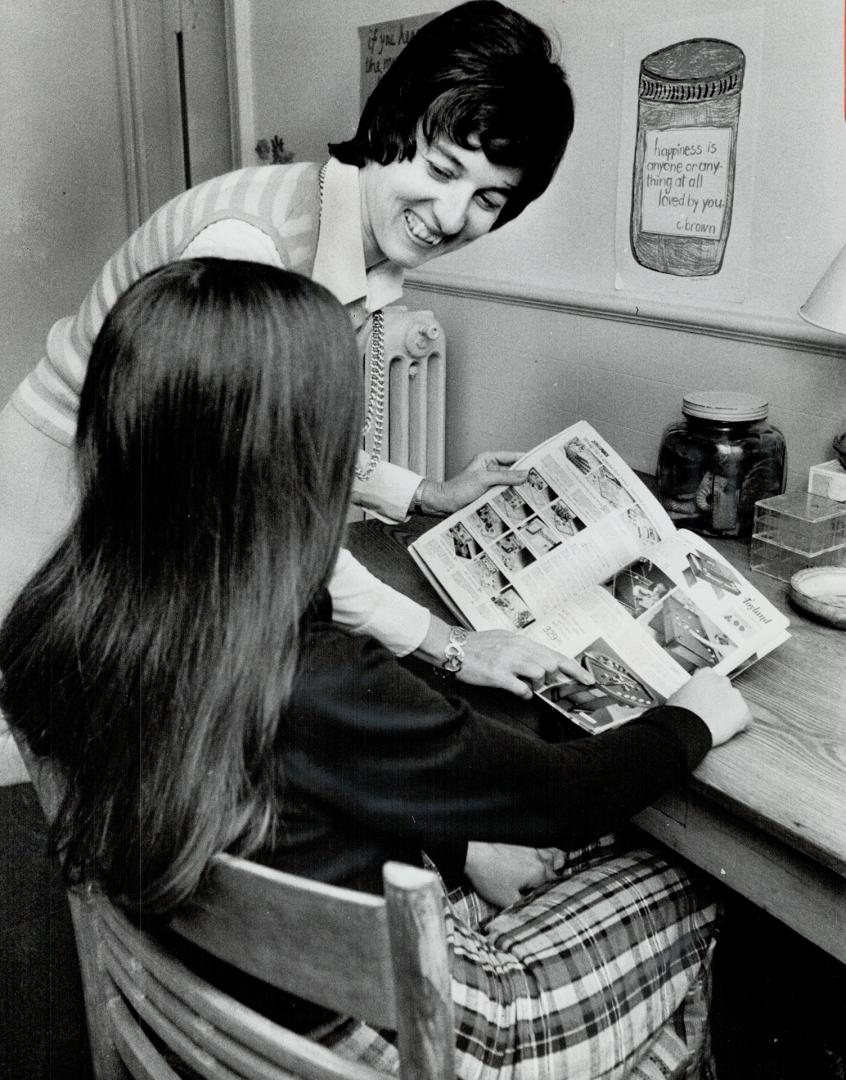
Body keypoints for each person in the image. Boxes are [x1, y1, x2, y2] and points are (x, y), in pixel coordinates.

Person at [0, 260, 753, 1078]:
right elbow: (563, 797)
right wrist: (695, 716)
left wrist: (461, 846)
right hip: (397, 1042)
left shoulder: (62, 612)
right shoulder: (313, 674)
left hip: (217, 990)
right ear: (296, 463)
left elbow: (324, 775)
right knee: (694, 881)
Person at [0, 1, 579, 754]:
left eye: (488, 199)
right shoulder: (248, 247)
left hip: (144, 502)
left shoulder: (357, 238)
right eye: (441, 169)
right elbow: (257, 522)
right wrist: (452, 647)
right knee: (58, 766)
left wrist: (422, 494)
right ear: (392, 123)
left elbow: (281, 435)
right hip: (66, 496)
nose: (449, 214)